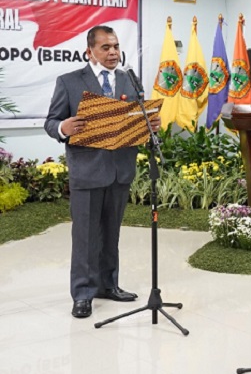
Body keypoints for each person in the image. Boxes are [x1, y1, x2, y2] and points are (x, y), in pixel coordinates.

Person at [44, 25, 159, 319]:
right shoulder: (69, 82)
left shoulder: (129, 81)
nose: (113, 53)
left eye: (116, 47)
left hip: (120, 170)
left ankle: (109, 285)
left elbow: (135, 118)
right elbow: (52, 122)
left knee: (111, 233)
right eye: (106, 48)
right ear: (90, 51)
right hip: (87, 170)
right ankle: (83, 294)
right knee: (85, 237)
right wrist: (62, 128)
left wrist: (149, 125)